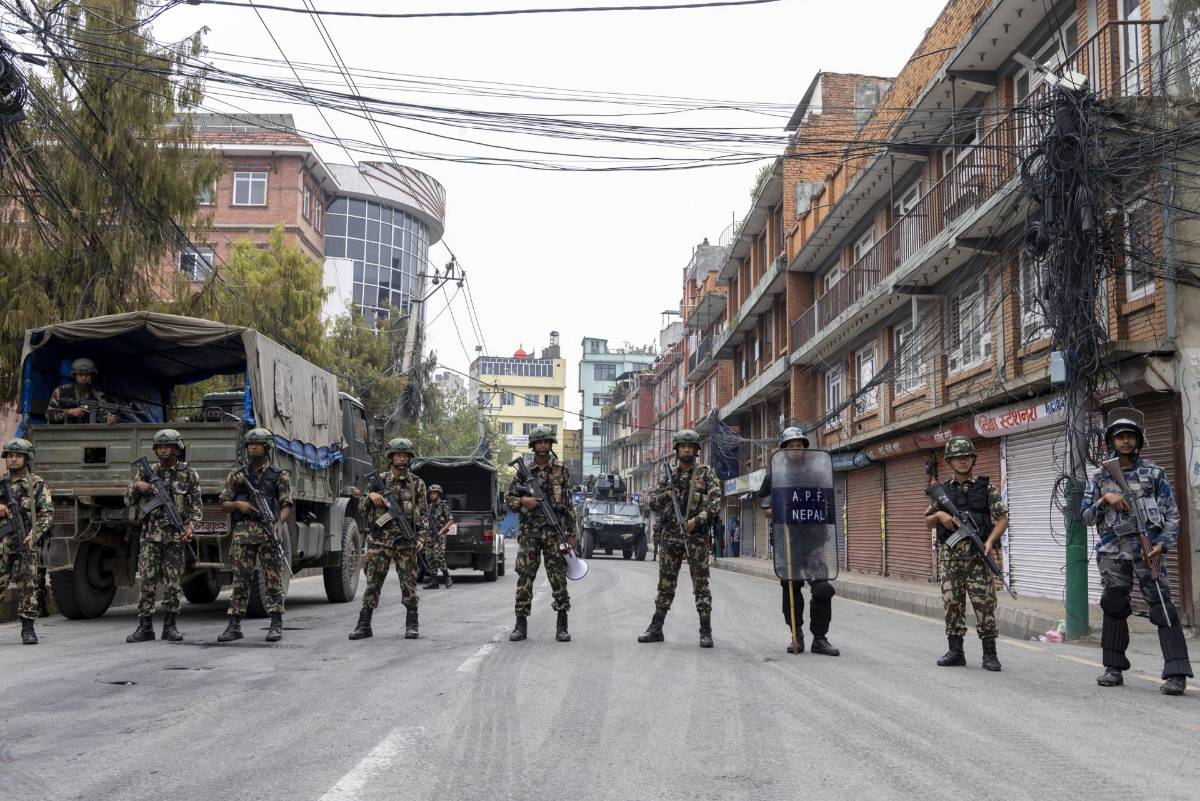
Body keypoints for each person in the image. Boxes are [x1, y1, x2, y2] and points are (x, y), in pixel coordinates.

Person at [1082, 407, 1191, 695]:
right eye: (1121, 437)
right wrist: (1105, 498)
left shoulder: (1154, 473)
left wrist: (1162, 543)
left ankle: (1177, 672)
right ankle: (1113, 668)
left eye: (1131, 436)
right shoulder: (1099, 478)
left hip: (1148, 552)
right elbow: (1085, 517)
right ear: (1111, 442)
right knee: (1114, 605)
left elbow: (1172, 515)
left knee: (1163, 607)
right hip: (1112, 551)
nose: (1126, 441)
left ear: (1139, 441)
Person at [923, 436, 1008, 671]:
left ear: (973, 458)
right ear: (949, 461)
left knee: (984, 604)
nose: (962, 461)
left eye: (966, 456)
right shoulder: (941, 491)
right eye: (957, 457)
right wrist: (940, 516)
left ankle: (989, 654)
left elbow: (1002, 519)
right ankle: (955, 651)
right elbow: (927, 522)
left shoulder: (985, 487)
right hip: (951, 558)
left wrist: (990, 541)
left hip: (978, 557)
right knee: (952, 603)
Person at [758, 427, 839, 656]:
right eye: (790, 446)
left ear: (805, 448)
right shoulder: (775, 475)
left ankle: (820, 639)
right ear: (784, 449)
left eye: (799, 445)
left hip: (814, 541)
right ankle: (797, 635)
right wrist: (774, 511)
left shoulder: (816, 473)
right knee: (790, 587)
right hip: (788, 542)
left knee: (823, 588)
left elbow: (826, 503)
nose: (795, 449)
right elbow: (765, 507)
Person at [637, 429, 721, 648]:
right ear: (676, 450)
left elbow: (714, 505)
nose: (686, 449)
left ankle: (705, 630)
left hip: (697, 538)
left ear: (696, 450)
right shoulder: (669, 475)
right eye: (682, 446)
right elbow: (653, 502)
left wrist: (696, 521)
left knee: (701, 585)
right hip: (671, 537)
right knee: (665, 585)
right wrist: (668, 494)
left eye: (690, 446)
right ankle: (656, 627)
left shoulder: (706, 474)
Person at [216, 428, 293, 643]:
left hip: (268, 533)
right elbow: (223, 505)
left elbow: (287, 504)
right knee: (240, 580)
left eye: (257, 444)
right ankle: (234, 625)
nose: (253, 447)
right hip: (243, 534)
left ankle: (276, 623)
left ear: (267, 448)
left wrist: (278, 524)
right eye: (250, 444)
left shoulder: (279, 476)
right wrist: (238, 504)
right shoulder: (238, 474)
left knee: (273, 579)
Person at [124, 429, 201, 643]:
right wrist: (137, 487)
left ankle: (170, 625)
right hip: (150, 535)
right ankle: (145, 626)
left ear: (177, 449)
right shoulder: (147, 472)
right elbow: (128, 500)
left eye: (168, 447)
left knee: (173, 582)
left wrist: (190, 526)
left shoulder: (189, 474)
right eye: (160, 447)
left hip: (175, 536)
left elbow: (196, 506)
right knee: (147, 581)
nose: (164, 450)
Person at [349, 438, 428, 641]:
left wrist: (421, 537)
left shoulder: (417, 484)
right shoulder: (379, 481)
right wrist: (370, 497)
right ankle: (364, 624)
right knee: (373, 583)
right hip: (380, 541)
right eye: (398, 455)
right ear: (391, 457)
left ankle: (412, 624)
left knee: (408, 584)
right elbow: (360, 508)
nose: (402, 458)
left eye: (405, 455)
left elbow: (424, 514)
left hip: (405, 542)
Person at [506, 426, 576, 643]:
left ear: (551, 444)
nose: (543, 445)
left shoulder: (561, 470)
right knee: (525, 578)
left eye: (546, 442)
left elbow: (569, 503)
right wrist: (523, 502)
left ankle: (562, 625)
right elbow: (509, 499)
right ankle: (520, 624)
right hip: (530, 535)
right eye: (539, 442)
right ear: (533, 446)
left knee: (558, 579)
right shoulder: (524, 472)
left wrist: (572, 533)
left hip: (555, 534)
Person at [0, 438, 52, 644]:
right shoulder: (1, 483)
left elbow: (47, 513)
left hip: (25, 543)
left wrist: (34, 534)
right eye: (10, 456)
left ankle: (28, 629)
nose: (13, 459)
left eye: (18, 456)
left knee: (28, 586)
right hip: (2, 545)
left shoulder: (37, 485)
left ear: (26, 459)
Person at [46, 357, 119, 425]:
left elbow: (104, 415)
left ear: (92, 375)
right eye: (80, 374)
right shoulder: (61, 391)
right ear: (74, 375)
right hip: (65, 434)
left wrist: (109, 419)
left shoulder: (98, 394)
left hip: (90, 434)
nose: (84, 377)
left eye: (87, 374)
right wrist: (70, 412)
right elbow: (49, 416)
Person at [424, 484, 454, 590]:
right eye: (431, 493)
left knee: (439, 557)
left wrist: (441, 531)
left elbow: (450, 520)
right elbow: (425, 519)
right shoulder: (429, 507)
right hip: (429, 536)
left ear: (439, 493)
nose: (432, 495)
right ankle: (434, 581)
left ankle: (447, 578)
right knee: (429, 557)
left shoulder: (443, 506)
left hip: (439, 535)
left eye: (435, 493)